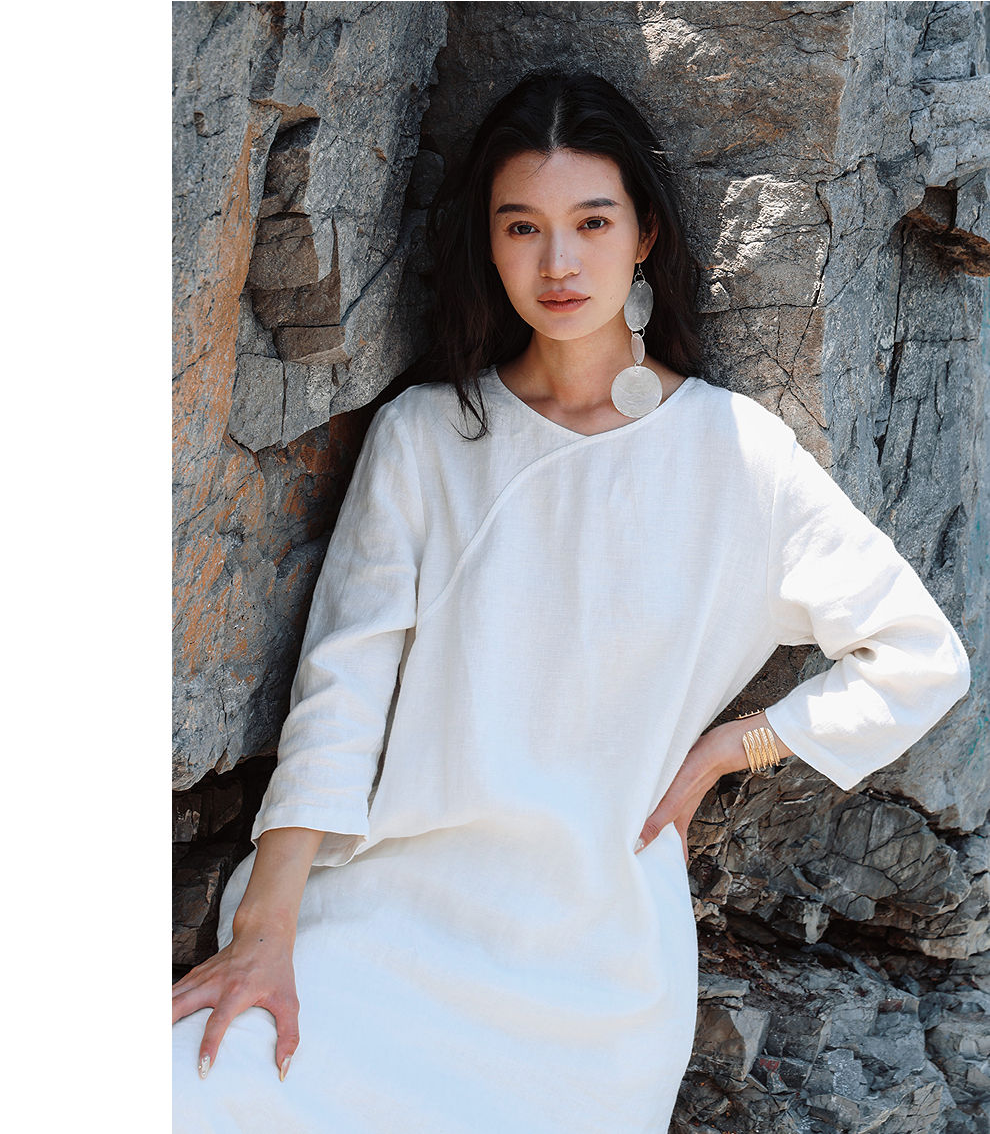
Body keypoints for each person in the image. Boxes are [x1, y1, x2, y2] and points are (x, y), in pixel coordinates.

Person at [172, 70, 971, 1133]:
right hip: (379, 924)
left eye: (592, 222)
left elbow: (920, 655)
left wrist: (733, 747)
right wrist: (265, 933)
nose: (558, 262)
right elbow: (340, 695)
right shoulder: (426, 436)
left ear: (644, 234)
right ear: (489, 243)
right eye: (523, 227)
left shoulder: (736, 454)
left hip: (592, 979)